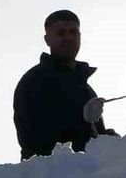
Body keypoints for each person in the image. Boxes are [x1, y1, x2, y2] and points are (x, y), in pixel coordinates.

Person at [13, 9, 114, 159]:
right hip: (53, 177)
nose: (68, 37)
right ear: (47, 40)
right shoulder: (34, 80)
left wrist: (111, 141)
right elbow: (32, 139)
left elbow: (95, 138)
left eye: (73, 32)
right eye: (61, 33)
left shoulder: (85, 89)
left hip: (88, 174)